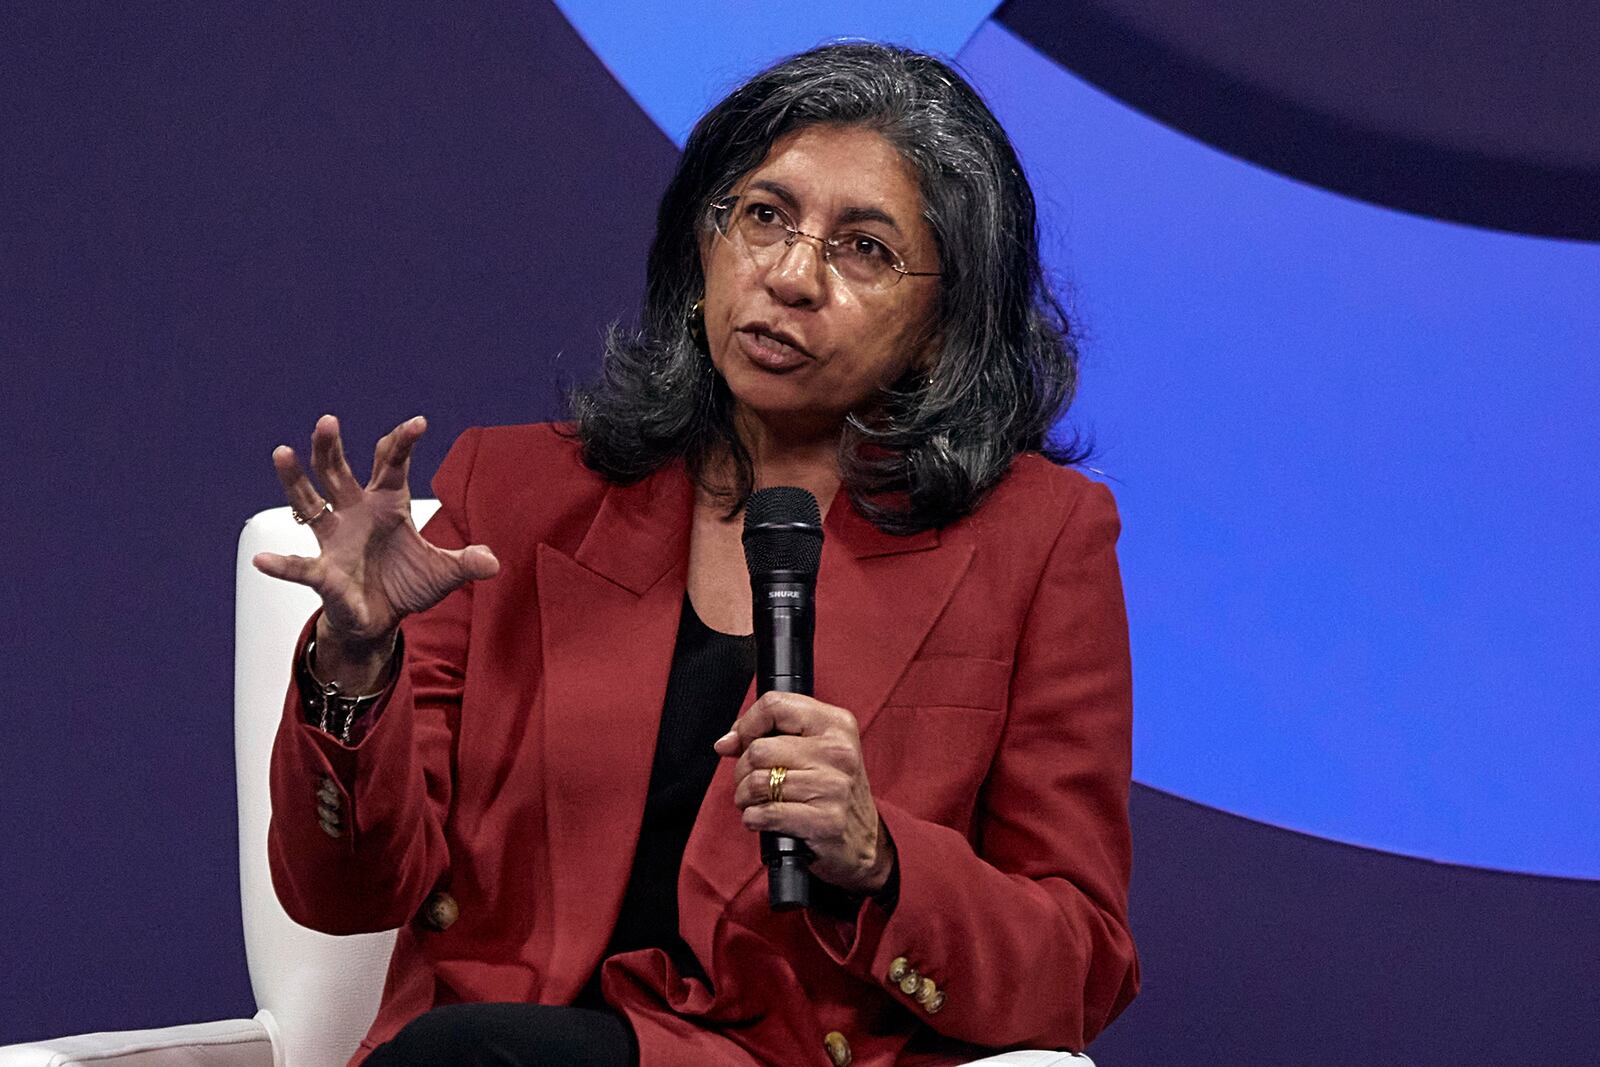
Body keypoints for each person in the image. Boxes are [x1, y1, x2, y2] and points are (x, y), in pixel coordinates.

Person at [254, 41, 1138, 1067]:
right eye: (763, 217)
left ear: (943, 329)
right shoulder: (523, 492)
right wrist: (351, 668)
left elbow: (1083, 964)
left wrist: (882, 858)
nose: (791, 276)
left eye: (864, 249)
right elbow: (343, 893)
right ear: (704, 250)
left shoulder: (1035, 540)